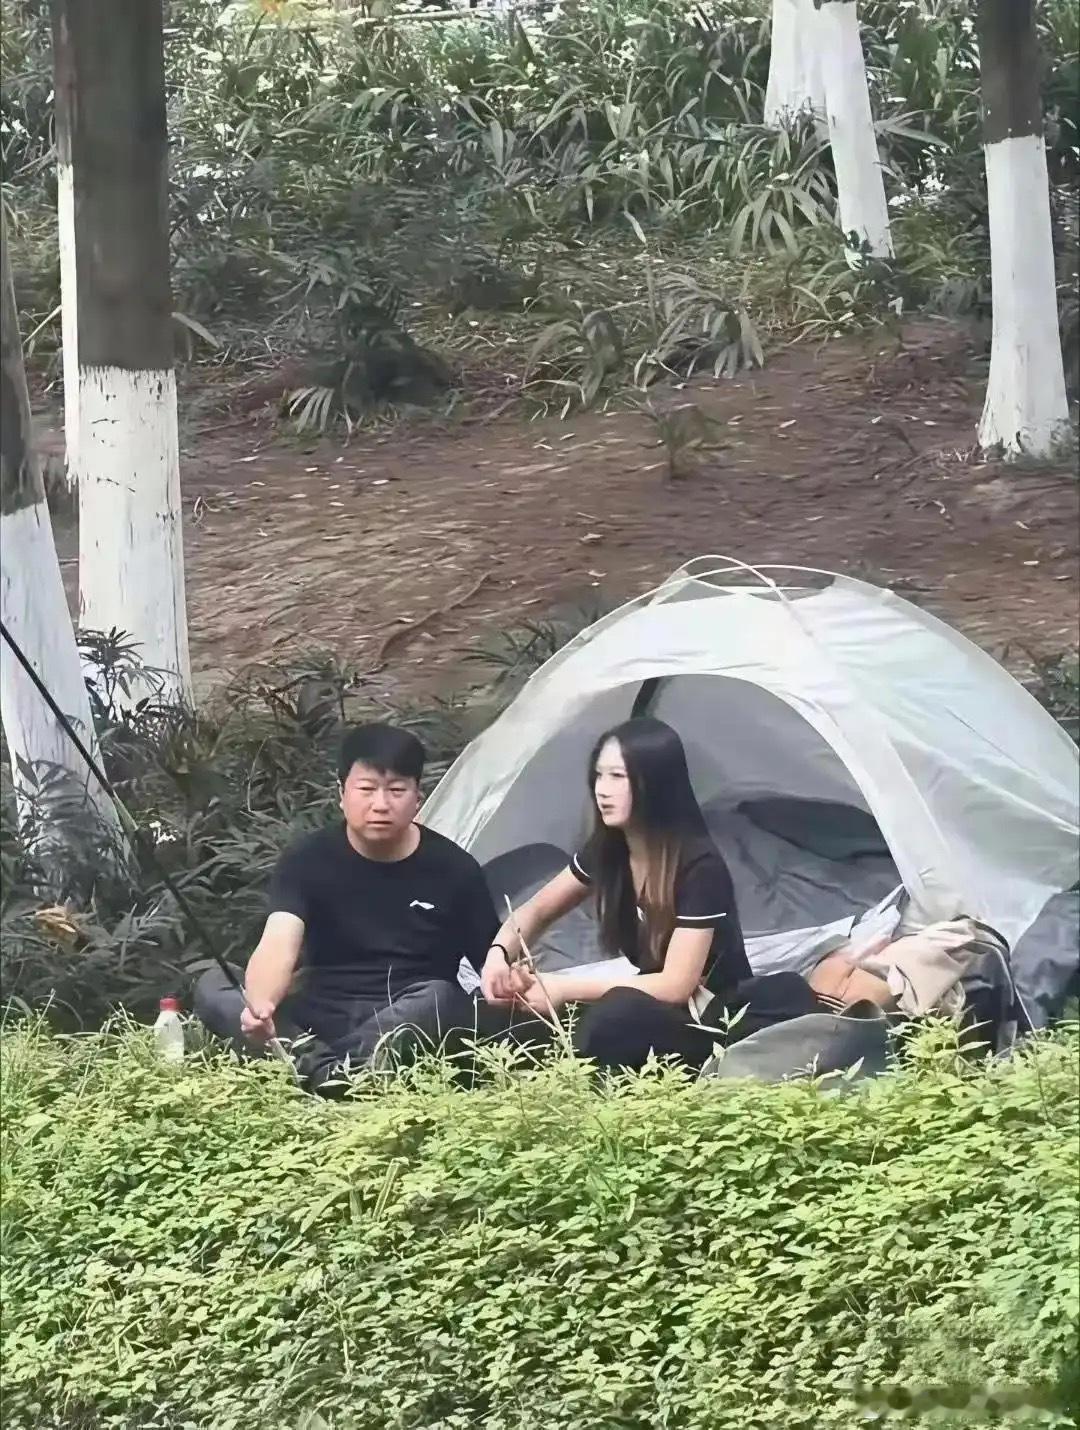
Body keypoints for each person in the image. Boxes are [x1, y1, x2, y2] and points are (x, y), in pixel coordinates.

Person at [194, 722, 545, 1091]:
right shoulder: (307, 859)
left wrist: (510, 978)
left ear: (417, 798)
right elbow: (279, 942)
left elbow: (491, 964)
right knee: (215, 983)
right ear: (341, 794)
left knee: (440, 997)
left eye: (396, 790)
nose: (380, 804)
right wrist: (261, 1006)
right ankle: (338, 1074)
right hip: (321, 1011)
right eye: (366, 789)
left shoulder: (454, 868)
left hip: (410, 1017)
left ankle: (318, 1070)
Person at [480, 716, 821, 1072]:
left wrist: (564, 987)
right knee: (495, 1007)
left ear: (655, 785)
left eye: (618, 776)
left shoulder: (699, 867)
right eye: (599, 775)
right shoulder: (608, 849)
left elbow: (676, 985)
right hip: (647, 1001)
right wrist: (498, 957)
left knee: (614, 1016)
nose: (602, 790)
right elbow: (536, 910)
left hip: (707, 1017)